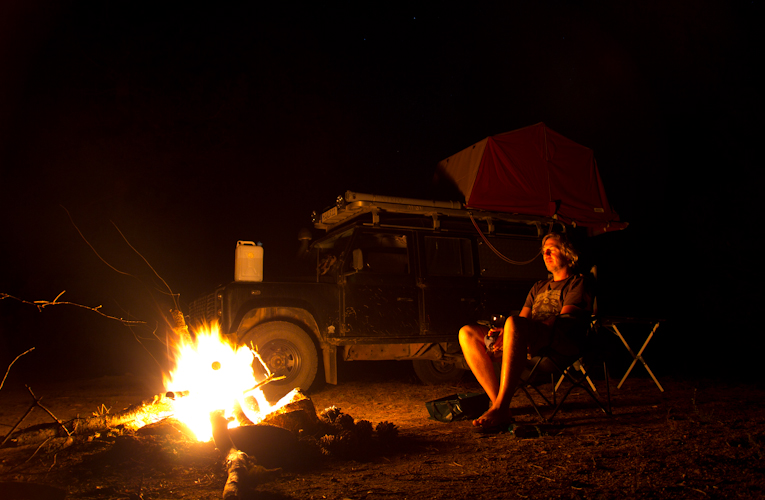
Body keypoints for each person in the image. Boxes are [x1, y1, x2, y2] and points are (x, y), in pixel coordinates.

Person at [458, 232, 592, 431]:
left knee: (514, 324)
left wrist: (519, 333)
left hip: (558, 344)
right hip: (528, 339)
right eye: (543, 251)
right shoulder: (539, 286)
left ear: (567, 253)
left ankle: (500, 407)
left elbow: (565, 322)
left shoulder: (577, 282)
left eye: (551, 249)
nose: (545, 254)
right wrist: (502, 335)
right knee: (467, 332)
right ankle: (499, 406)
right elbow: (521, 320)